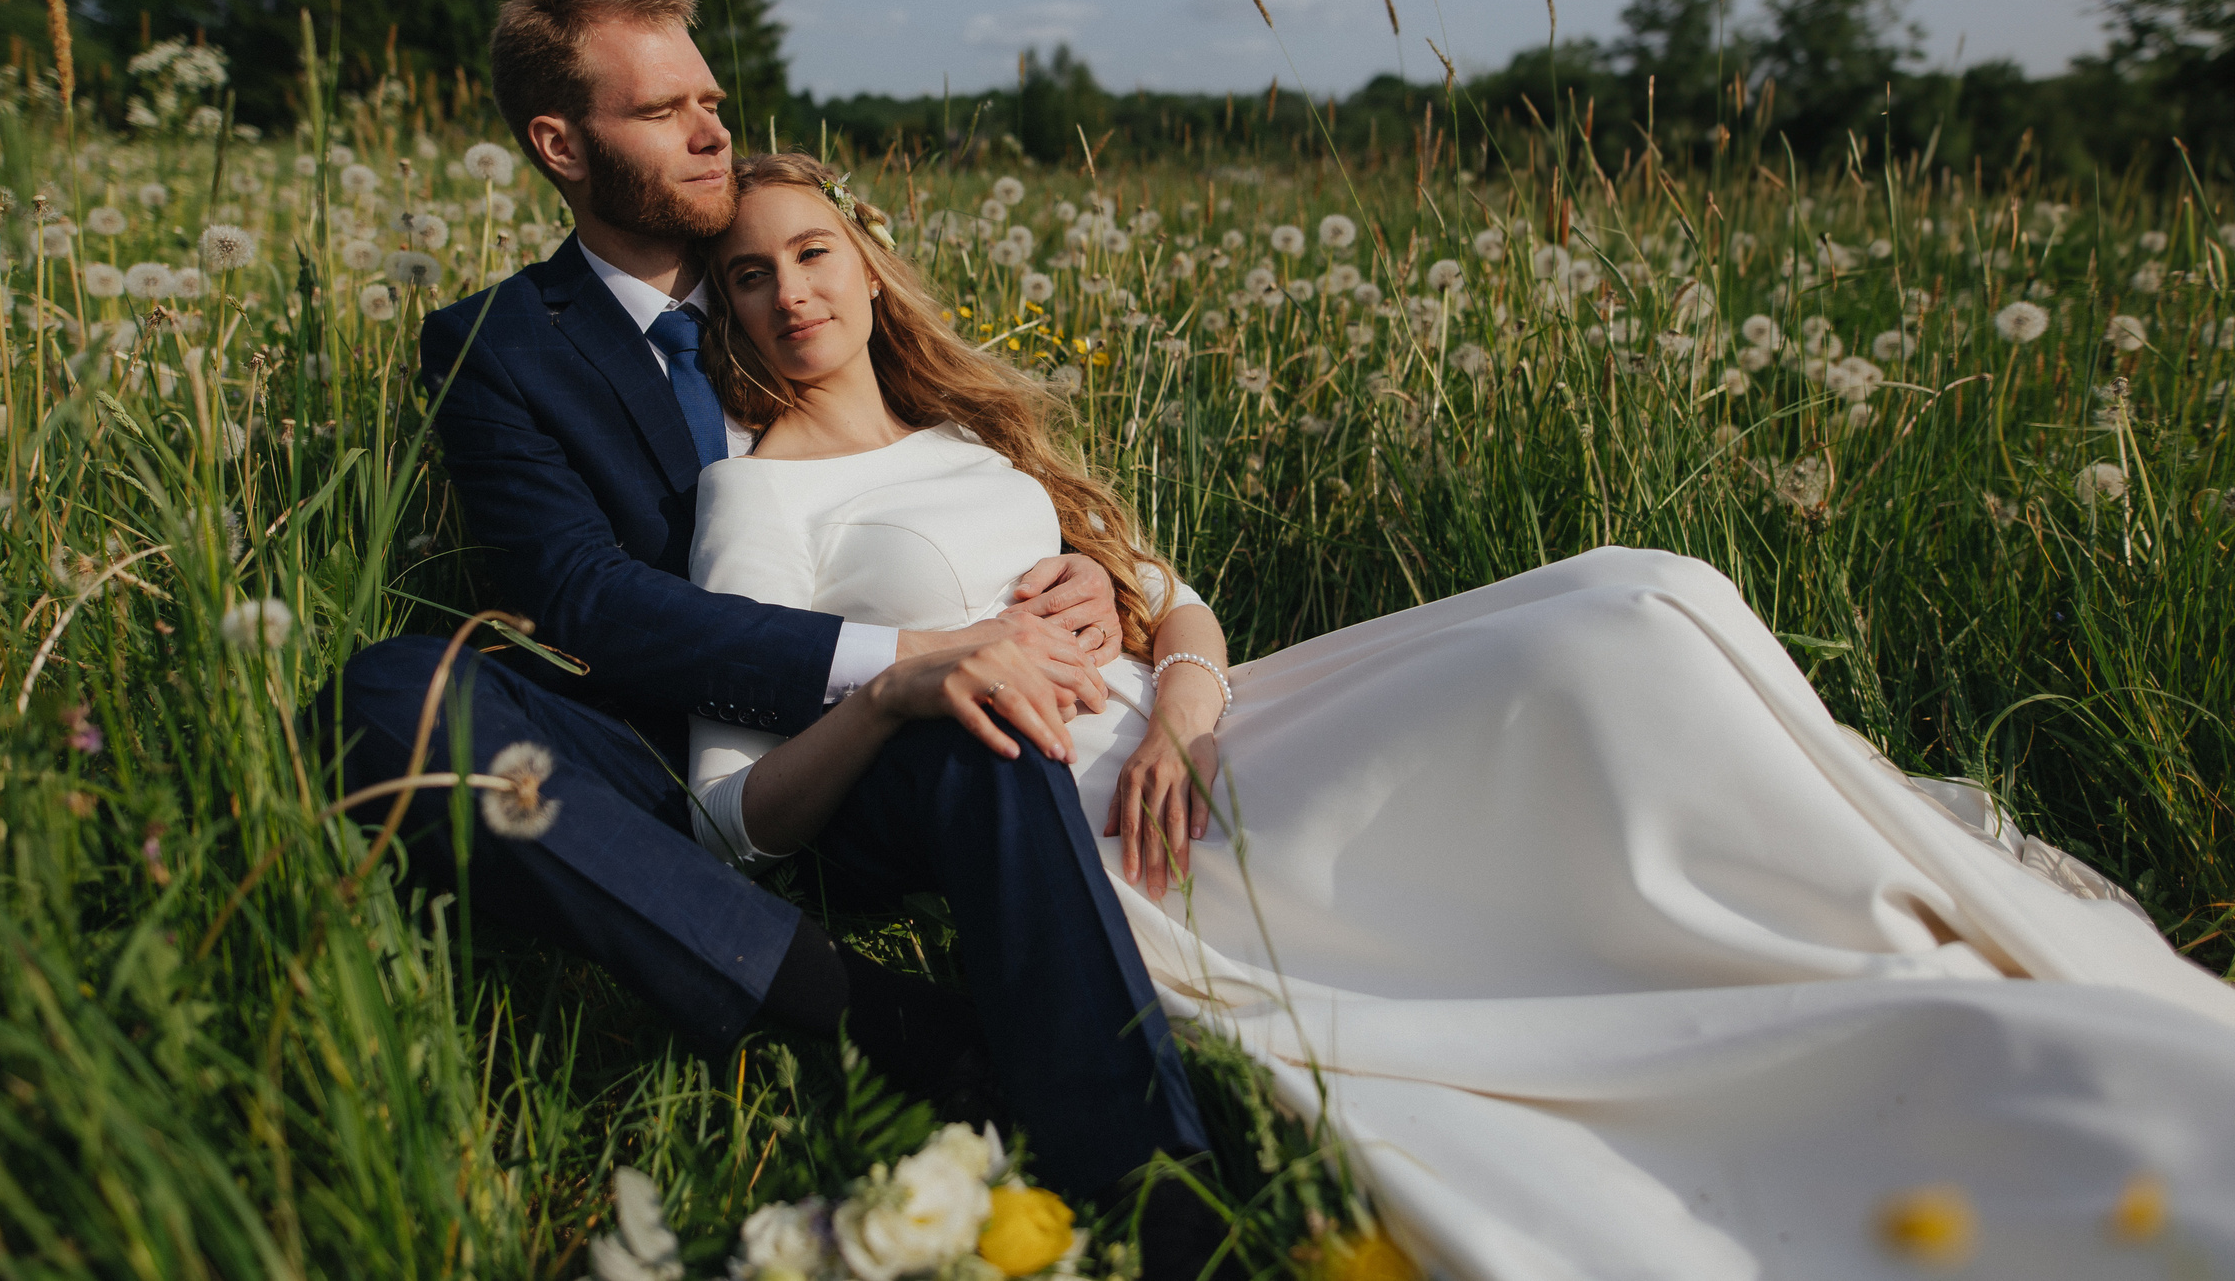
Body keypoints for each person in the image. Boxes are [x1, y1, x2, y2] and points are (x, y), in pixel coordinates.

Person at [683, 150, 2235, 1280]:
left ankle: (1842, 892)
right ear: (728, 309)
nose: (788, 290)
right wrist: (904, 676)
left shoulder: (973, 434)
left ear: (868, 261)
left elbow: (1179, 594)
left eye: (810, 251)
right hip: (1099, 818)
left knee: (1645, 598)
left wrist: (1182, 705)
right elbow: (733, 813)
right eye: (748, 272)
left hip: (1208, 732)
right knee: (1616, 637)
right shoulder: (754, 497)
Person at [323, 0, 1220, 1236]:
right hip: (647, 745)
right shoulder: (502, 346)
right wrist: (905, 653)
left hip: (873, 768)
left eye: (712, 100)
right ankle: (881, 1020)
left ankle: (1161, 1199)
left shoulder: (816, 279)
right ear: (559, 144)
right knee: (389, 700)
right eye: (662, 111)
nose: (708, 131)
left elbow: (996, 503)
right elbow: (583, 595)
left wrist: (1087, 582)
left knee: (991, 723)